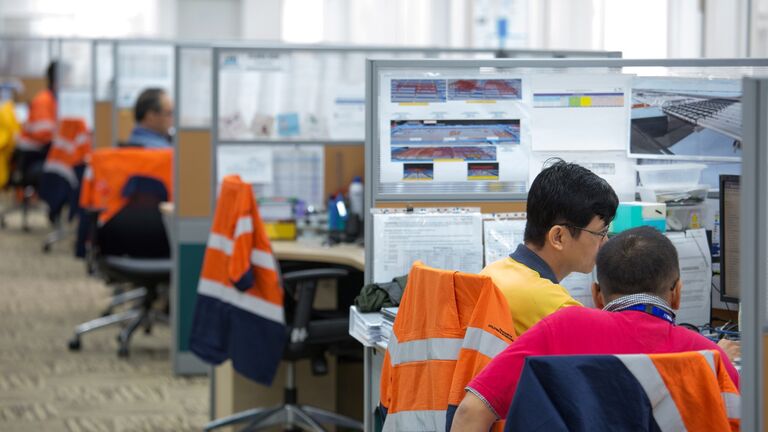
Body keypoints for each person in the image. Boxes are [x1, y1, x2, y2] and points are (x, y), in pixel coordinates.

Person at [451, 226, 740, 430]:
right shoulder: (709, 358)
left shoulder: (562, 327)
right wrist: (717, 354)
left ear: (596, 294)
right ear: (676, 292)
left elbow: (470, 412)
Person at [483, 159, 619, 336]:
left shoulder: (492, 272)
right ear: (558, 237)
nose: (606, 242)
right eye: (600, 233)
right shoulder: (558, 310)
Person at [16, 61, 57, 154]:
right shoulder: (44, 101)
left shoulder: (53, 100)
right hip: (33, 154)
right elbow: (41, 133)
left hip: (40, 151)